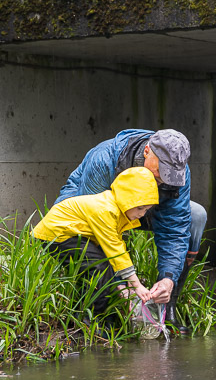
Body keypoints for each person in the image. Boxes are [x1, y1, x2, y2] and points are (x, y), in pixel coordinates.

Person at [55, 129, 204, 333]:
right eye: (162, 171)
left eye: (172, 174)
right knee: (94, 247)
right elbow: (95, 224)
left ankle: (167, 305)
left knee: (196, 216)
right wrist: (124, 285)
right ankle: (99, 309)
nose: (165, 179)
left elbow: (174, 230)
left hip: (140, 209)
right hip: (94, 211)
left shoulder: (178, 174)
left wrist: (168, 277)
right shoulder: (105, 158)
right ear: (146, 151)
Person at [34, 167, 158, 319]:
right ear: (126, 199)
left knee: (101, 267)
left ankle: (81, 314)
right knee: (99, 268)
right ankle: (91, 321)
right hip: (57, 234)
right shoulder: (106, 209)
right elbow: (115, 250)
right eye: (139, 208)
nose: (142, 214)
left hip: (71, 234)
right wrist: (136, 284)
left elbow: (114, 252)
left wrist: (123, 285)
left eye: (147, 209)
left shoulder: (115, 209)